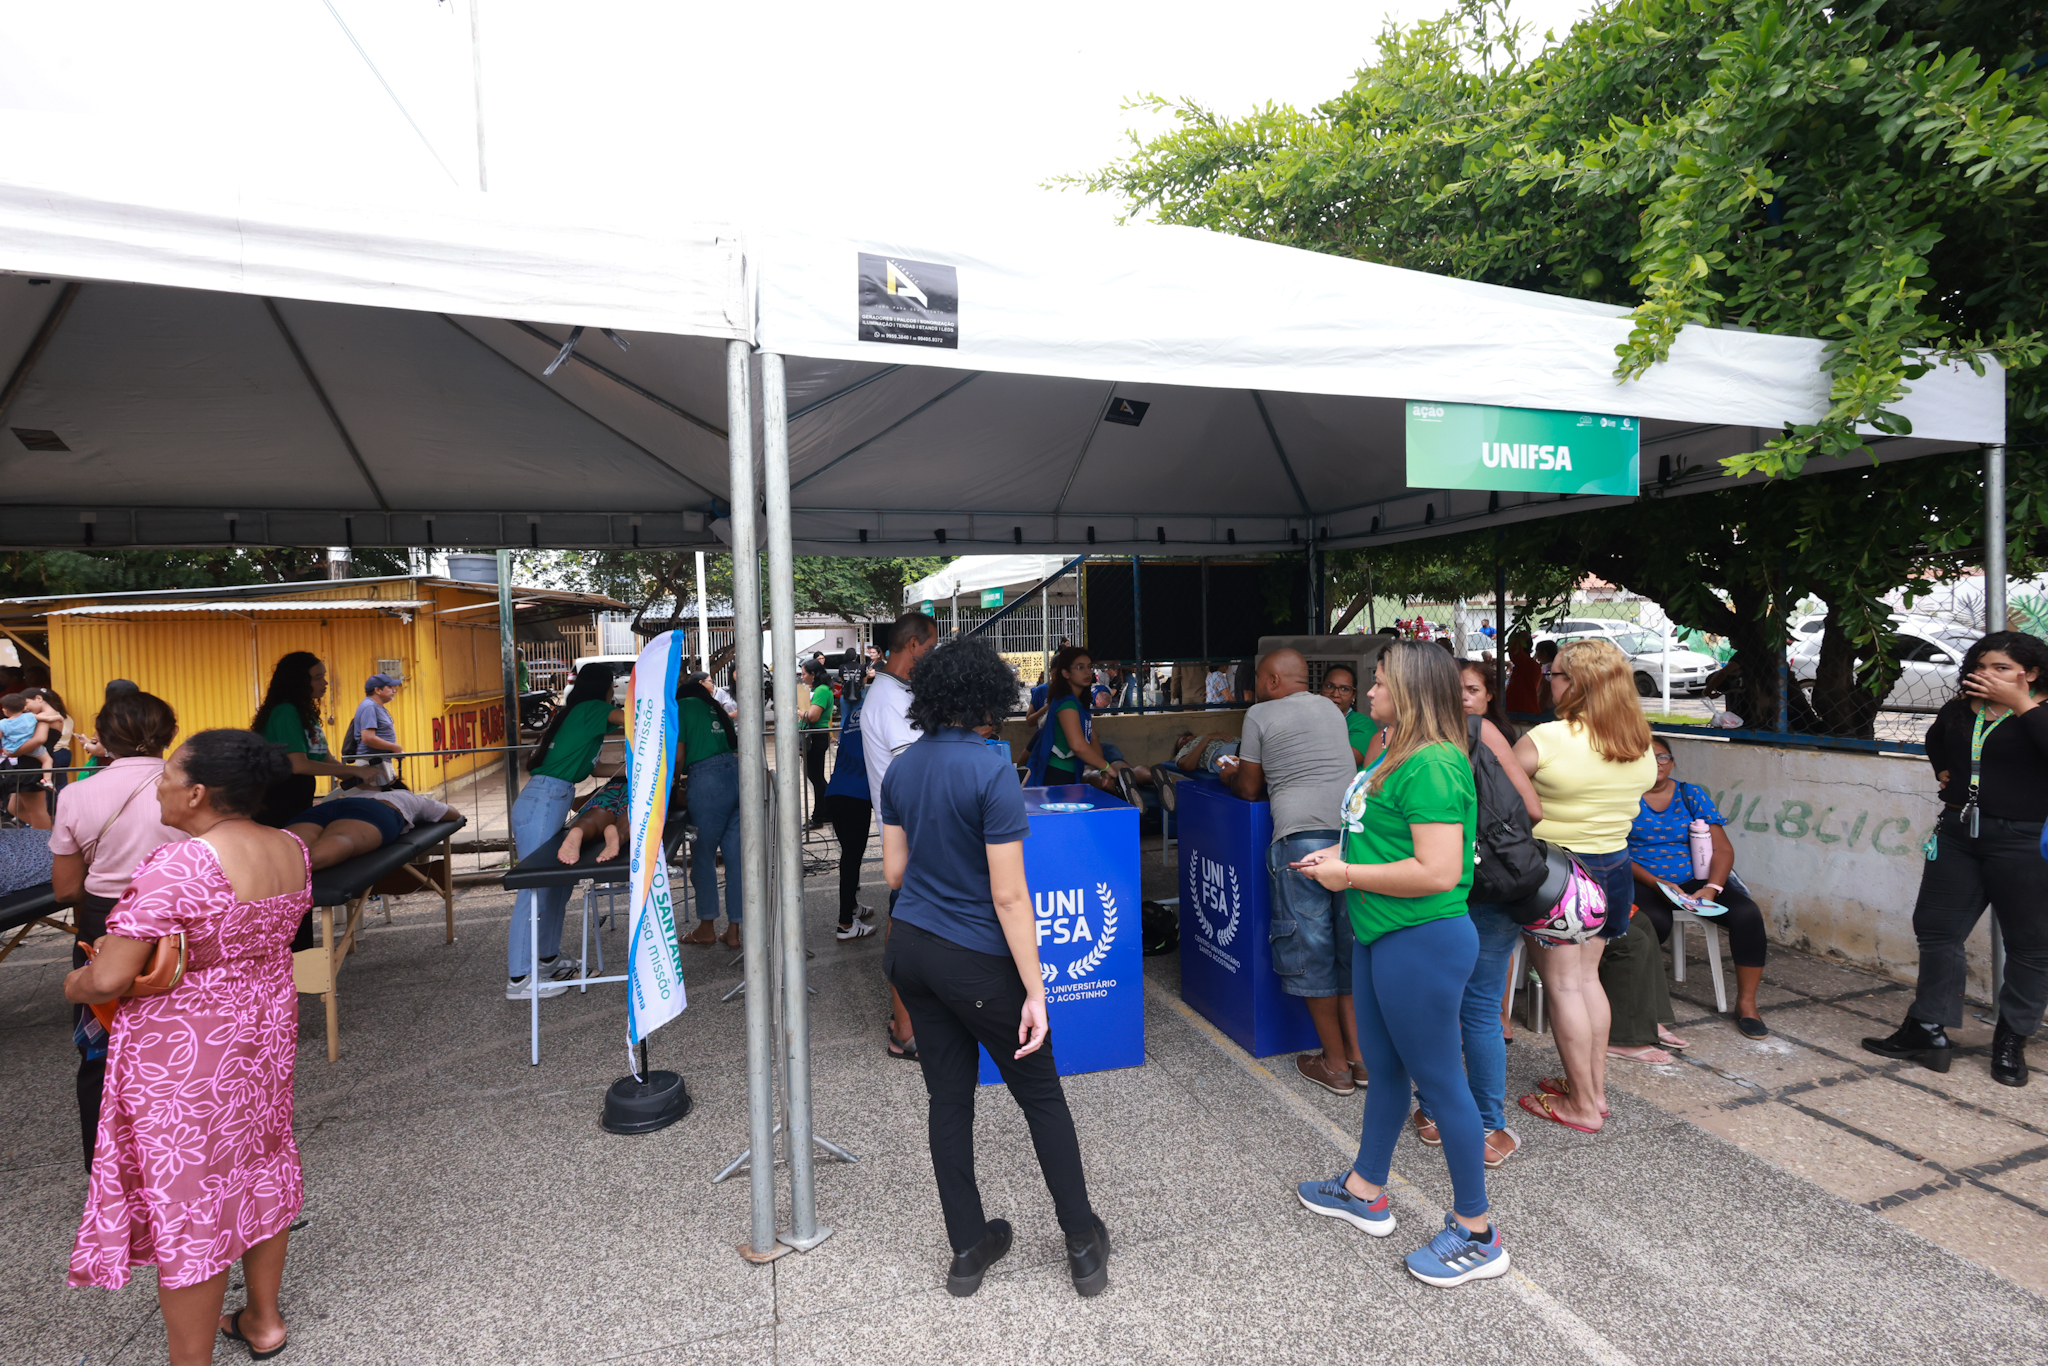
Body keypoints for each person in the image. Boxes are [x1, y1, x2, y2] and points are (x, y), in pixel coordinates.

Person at [65, 729, 309, 1363]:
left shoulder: (181, 864)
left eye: (167, 779)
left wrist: (74, 982)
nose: (159, 790)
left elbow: (110, 977)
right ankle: (263, 1320)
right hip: (262, 1039)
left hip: (187, 1054)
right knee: (260, 1164)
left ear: (197, 793)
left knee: (191, 1197)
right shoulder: (290, 849)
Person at [879, 637, 1110, 1299]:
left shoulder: (901, 769)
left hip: (910, 950)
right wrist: (1036, 989)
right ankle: (1082, 1242)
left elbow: (894, 873)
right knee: (1040, 1095)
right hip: (975, 959)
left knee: (948, 1100)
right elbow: (1009, 896)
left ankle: (967, 1249)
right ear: (986, 697)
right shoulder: (991, 769)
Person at [1288, 641, 1508, 1287]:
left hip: (1421, 940)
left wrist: (1347, 875)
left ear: (1408, 690)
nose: (1368, 691)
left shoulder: (1433, 762)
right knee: (1385, 1070)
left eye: (1379, 682)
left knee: (1441, 1085)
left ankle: (1477, 1233)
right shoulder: (1391, 749)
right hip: (1382, 933)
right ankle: (1364, 1189)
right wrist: (1339, 856)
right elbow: (1382, 837)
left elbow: (1437, 870)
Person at [1865, 630, 2048, 1087]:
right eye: (1981, 666)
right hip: (1958, 832)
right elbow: (1936, 739)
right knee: (1937, 930)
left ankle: (2011, 1038)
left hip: (2025, 840)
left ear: (2031, 673)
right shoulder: (1963, 708)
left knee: (2030, 945)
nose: (1987, 675)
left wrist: (2021, 704)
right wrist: (1942, 770)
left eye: (2002, 668)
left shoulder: (2040, 711)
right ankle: (1928, 1028)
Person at [1511, 638, 1659, 1134]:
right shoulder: (1637, 740)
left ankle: (1581, 1106)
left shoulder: (1548, 738)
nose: (1548, 682)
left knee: (1563, 986)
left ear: (1574, 684)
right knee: (1589, 981)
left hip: (1559, 876)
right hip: (1614, 868)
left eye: (1553, 674)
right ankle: (1593, 1092)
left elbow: (1497, 794)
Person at [1411, 659, 1543, 1166]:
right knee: (1483, 1007)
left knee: (1436, 1004)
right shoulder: (1483, 732)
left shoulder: (1398, 740)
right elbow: (1533, 810)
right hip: (1493, 885)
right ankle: (1488, 1127)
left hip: (1432, 891)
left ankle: (1432, 1114)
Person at [48, 689, 183, 1169]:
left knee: (102, 1046)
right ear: (171, 733)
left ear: (102, 738)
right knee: (184, 1038)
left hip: (105, 916)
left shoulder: (76, 794)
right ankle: (181, 1159)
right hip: (184, 913)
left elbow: (66, 889)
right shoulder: (194, 786)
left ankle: (106, 1169)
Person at [1223, 648, 1362, 1095]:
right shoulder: (1332, 710)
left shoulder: (1259, 714)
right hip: (1350, 842)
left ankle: (1335, 1065)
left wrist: (1228, 774)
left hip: (1300, 841)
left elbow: (1249, 788)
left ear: (1271, 680)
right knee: (1349, 950)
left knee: (1311, 950)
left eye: (1260, 679)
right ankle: (1361, 1061)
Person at [1628, 736, 1773, 1037]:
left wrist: (1712, 888)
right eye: (1646, 757)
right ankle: (1639, 1004)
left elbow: (1722, 849)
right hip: (1642, 878)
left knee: (1747, 914)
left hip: (1695, 877)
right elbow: (1613, 851)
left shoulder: (1690, 794)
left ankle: (1747, 1004)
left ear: (1672, 762)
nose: (1656, 763)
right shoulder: (1622, 797)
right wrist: (1657, 883)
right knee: (1654, 921)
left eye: (1662, 757)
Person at [506, 662, 622, 998]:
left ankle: (547, 958)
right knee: (535, 887)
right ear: (605, 687)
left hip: (552, 798)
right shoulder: (592, 708)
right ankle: (519, 979)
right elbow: (632, 719)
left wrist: (627, 768)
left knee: (559, 884)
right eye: (612, 686)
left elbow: (594, 767)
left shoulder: (580, 713)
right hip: (544, 800)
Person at [864, 611, 941, 1059]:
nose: (933, 654)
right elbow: (917, 769)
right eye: (931, 647)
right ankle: (905, 1030)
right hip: (910, 830)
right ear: (913, 645)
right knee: (906, 928)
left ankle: (906, 1021)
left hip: (909, 827)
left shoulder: (897, 691)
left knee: (907, 923)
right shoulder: (890, 697)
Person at [252, 652, 373, 829]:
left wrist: (367, 781)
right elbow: (298, 765)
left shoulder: (305, 713)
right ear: (298, 682)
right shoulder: (286, 712)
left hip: (298, 797)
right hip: (278, 799)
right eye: (317, 678)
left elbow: (326, 758)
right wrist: (355, 770)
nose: (325, 683)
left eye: (323, 676)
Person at [675, 671, 746, 948]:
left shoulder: (682, 706)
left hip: (706, 782)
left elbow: (679, 755)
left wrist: (673, 785)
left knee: (702, 856)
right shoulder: (713, 706)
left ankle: (706, 928)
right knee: (735, 859)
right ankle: (734, 931)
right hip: (735, 777)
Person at [1028, 646, 1143, 802]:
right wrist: (1106, 766)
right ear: (1065, 673)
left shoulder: (1080, 703)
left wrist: (1103, 770)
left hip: (1071, 773)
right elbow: (1078, 746)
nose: (1087, 672)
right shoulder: (1066, 702)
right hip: (1056, 775)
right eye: (1080, 667)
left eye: (1089, 667)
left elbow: (1093, 738)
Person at [283, 789, 460, 872]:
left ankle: (277, 870)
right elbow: (453, 814)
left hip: (329, 806)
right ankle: (292, 871)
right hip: (376, 809)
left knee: (289, 847)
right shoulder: (409, 797)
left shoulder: (357, 792)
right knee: (341, 838)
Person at [823, 679, 879, 942]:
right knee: (852, 858)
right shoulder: (877, 716)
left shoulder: (855, 716)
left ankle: (853, 907)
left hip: (836, 791)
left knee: (850, 855)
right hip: (856, 795)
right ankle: (845, 923)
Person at [343, 673, 404, 788]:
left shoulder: (377, 707)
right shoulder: (369, 707)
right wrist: (394, 747)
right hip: (372, 763)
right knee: (380, 796)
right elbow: (368, 738)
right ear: (378, 690)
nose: (394, 690)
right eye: (390, 687)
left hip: (379, 762)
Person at [73, 679, 141, 781]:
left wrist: (86, 744)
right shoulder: (142, 717)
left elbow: (102, 750)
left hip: (111, 767)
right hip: (139, 767)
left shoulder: (109, 717)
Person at [799, 658, 835, 830]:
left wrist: (796, 711)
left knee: (816, 778)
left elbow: (812, 716)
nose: (802, 677)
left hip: (816, 736)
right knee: (815, 777)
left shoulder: (821, 690)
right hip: (813, 735)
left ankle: (819, 816)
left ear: (813, 674)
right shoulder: (816, 689)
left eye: (804, 674)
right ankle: (827, 812)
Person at [1319, 664, 1377, 768]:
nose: (1335, 694)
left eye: (1344, 689)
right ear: (1321, 689)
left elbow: (1344, 761)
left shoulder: (1362, 724)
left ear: (1353, 695)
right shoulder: (1308, 720)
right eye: (1329, 686)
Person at [557, 778, 626, 865]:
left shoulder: (610, 784)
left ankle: (579, 830)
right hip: (636, 790)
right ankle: (619, 834)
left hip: (609, 790)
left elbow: (576, 804)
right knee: (632, 814)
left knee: (595, 816)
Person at [0, 691, 53, 785]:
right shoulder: (30, 716)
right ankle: (47, 780)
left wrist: (8, 750)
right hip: (31, 748)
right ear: (24, 707)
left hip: (12, 748)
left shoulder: (2, 723)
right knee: (47, 760)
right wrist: (58, 717)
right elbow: (48, 719)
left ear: (5, 710)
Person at [1532, 640, 1560, 722]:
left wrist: (1539, 709)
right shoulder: (1557, 666)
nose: (1536, 654)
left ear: (1544, 653)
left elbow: (1545, 690)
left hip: (1548, 707)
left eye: (1537, 651)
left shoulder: (1547, 668)